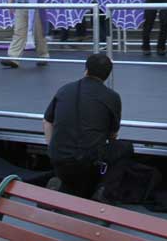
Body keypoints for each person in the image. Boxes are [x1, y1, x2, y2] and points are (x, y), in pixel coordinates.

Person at [43, 53, 129, 199]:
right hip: (89, 163)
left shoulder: (64, 90)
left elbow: (47, 121)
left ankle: (63, 184)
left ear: (86, 70)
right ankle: (104, 189)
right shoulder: (112, 97)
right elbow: (113, 134)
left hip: (59, 159)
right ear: (107, 75)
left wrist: (52, 147)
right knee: (124, 148)